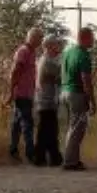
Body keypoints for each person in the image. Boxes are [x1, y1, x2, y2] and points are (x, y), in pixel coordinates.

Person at [5, 27, 44, 163]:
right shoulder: (24, 51)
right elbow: (15, 72)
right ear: (32, 38)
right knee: (27, 123)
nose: (41, 41)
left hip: (27, 92)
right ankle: (30, 154)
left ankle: (13, 150)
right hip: (21, 93)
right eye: (39, 38)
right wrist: (11, 92)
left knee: (17, 123)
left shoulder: (31, 53)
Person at [61, 27, 97, 171]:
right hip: (76, 93)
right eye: (92, 37)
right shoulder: (83, 55)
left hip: (65, 91)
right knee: (77, 128)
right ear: (85, 38)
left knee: (73, 126)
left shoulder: (68, 51)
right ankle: (70, 161)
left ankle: (73, 159)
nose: (94, 40)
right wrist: (92, 101)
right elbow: (86, 80)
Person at [33, 35, 65, 166]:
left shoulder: (46, 60)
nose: (59, 47)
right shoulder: (46, 61)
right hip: (46, 100)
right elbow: (59, 76)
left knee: (48, 129)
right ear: (49, 46)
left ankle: (50, 156)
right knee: (47, 129)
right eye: (56, 44)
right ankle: (45, 157)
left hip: (47, 100)